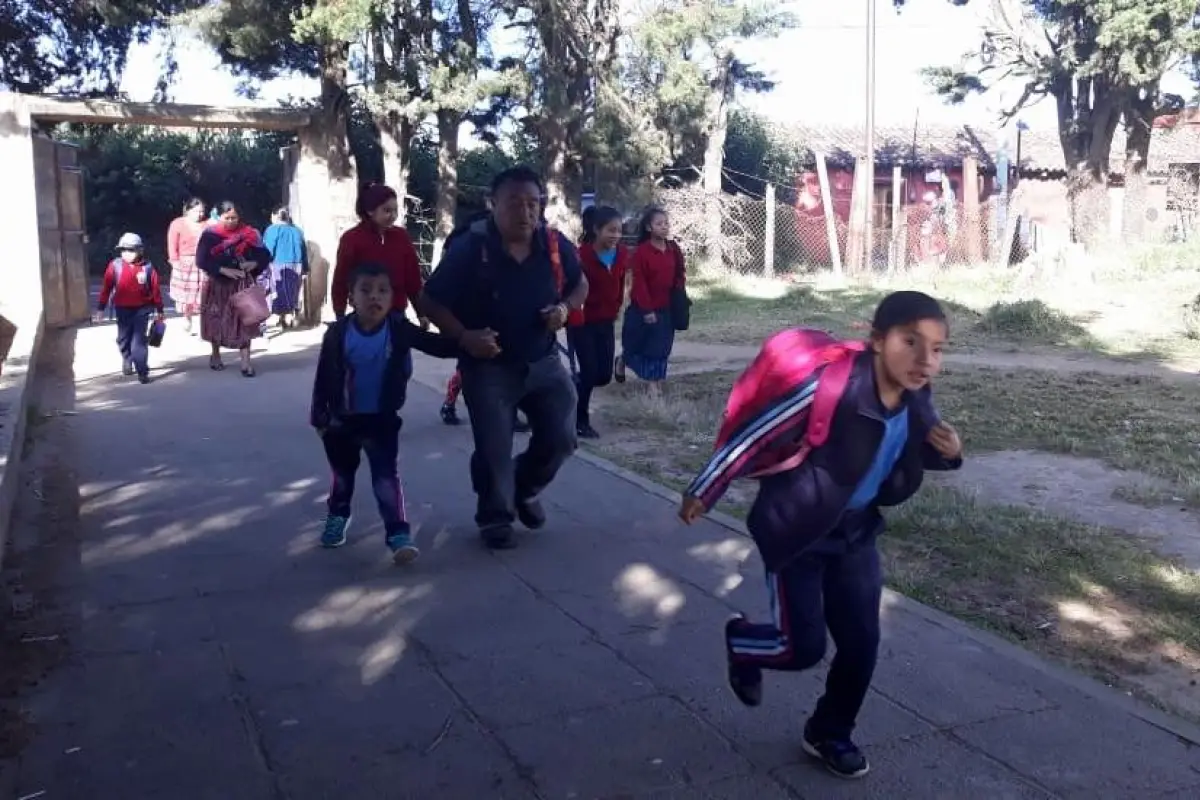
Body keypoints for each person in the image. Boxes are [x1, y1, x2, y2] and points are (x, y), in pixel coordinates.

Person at [677, 290, 964, 780]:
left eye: (936, 349)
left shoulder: (918, 399)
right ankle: (744, 643)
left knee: (861, 644)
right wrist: (707, 487)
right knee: (801, 647)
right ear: (877, 340)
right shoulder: (831, 388)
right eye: (910, 342)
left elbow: (918, 451)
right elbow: (758, 432)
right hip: (799, 531)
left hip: (856, 533)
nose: (924, 360)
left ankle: (830, 731)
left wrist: (951, 453)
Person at [420, 165, 589, 550]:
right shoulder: (472, 249)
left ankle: (524, 488)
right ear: (492, 204)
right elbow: (431, 300)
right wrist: (464, 336)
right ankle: (495, 518)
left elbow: (581, 284)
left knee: (562, 438)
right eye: (515, 202)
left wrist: (564, 308)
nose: (526, 212)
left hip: (544, 363)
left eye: (533, 203)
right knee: (494, 446)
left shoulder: (553, 245)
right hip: (489, 369)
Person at [311, 262, 461, 563]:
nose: (374, 297)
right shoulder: (338, 333)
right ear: (351, 297)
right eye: (365, 291)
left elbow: (438, 346)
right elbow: (324, 375)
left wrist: (467, 339)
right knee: (342, 477)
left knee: (385, 478)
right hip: (342, 422)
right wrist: (320, 416)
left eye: (382, 291)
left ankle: (398, 533)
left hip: (382, 421)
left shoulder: (398, 329)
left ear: (393, 298)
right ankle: (338, 516)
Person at [437, 210, 531, 435]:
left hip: (503, 313)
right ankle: (450, 404)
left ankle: (509, 412)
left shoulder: (506, 244)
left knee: (510, 362)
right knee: (471, 363)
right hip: (471, 315)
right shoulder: (463, 244)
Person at [567, 206, 627, 439]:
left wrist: (618, 305)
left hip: (606, 321)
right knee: (590, 372)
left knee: (603, 375)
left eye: (619, 231)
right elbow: (569, 286)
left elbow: (621, 282)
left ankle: (568, 385)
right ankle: (580, 420)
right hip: (582, 322)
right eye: (610, 230)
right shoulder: (580, 255)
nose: (616, 236)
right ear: (596, 230)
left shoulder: (622, 254)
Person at [195, 201, 272, 377]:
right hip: (217, 284)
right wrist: (223, 270)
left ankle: (246, 363)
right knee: (216, 319)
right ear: (219, 216)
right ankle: (215, 355)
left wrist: (255, 263)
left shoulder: (250, 234)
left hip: (241, 283)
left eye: (234, 218)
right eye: (227, 217)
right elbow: (201, 260)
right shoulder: (210, 235)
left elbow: (265, 255)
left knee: (246, 320)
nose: (231, 221)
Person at [332, 183, 425, 324]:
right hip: (364, 315)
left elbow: (413, 279)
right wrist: (340, 314)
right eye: (387, 211)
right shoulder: (351, 239)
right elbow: (341, 278)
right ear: (370, 211)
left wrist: (421, 313)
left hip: (397, 315)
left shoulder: (401, 236)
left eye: (395, 211)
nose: (393, 216)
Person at [615, 207, 685, 392]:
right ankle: (622, 361)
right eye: (659, 224)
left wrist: (679, 296)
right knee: (634, 346)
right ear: (648, 227)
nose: (664, 227)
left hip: (667, 308)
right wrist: (647, 310)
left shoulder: (673, 249)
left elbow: (680, 274)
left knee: (661, 348)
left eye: (666, 223)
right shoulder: (641, 253)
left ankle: (654, 385)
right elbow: (639, 284)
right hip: (642, 310)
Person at [92, 233, 165, 385]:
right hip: (122, 309)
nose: (127, 253)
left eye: (131, 250)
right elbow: (106, 288)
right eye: (123, 250)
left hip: (142, 309)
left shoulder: (148, 268)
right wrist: (100, 309)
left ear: (140, 251)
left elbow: (156, 290)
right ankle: (127, 358)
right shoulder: (115, 266)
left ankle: (142, 371)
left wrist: (160, 310)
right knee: (123, 339)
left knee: (138, 342)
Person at [263, 207, 309, 329]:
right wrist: (306, 268)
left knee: (279, 291)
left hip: (279, 265)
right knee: (293, 291)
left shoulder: (273, 230)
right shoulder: (297, 231)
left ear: (275, 216)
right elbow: (303, 250)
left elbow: (268, 250)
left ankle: (285, 317)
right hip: (297, 265)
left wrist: (263, 264)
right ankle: (289, 317)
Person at [167, 198, 208, 335]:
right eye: (196, 211)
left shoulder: (207, 225)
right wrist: (174, 262)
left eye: (202, 211)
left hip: (202, 263)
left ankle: (201, 323)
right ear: (188, 210)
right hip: (184, 264)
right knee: (186, 295)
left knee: (203, 294)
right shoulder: (177, 224)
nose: (200, 214)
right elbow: (172, 244)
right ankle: (187, 316)